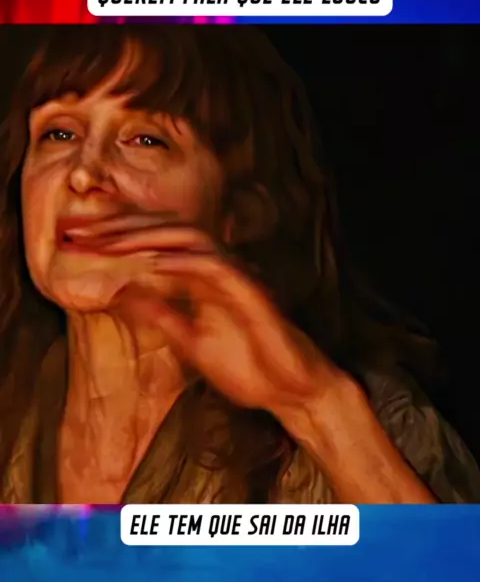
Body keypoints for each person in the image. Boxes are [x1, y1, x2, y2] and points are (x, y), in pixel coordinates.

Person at [0, 25, 479, 505]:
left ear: (239, 212)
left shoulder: (373, 419)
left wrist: (315, 409)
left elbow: (440, 559)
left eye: (146, 139)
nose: (84, 174)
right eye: (59, 133)